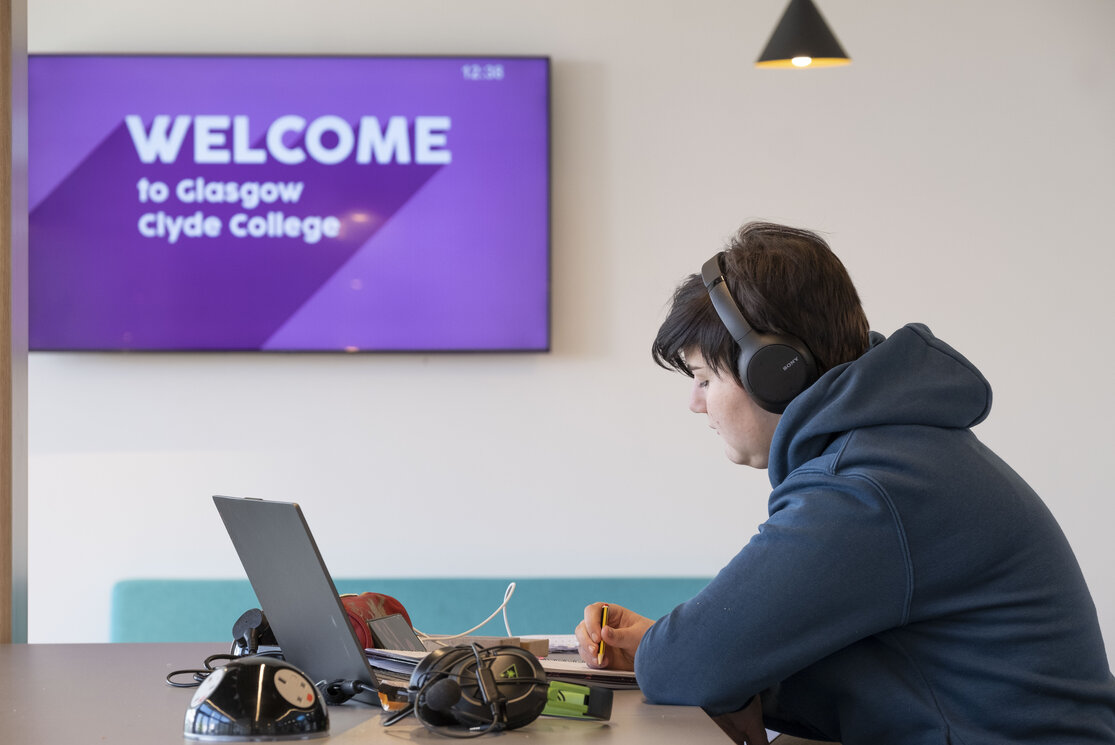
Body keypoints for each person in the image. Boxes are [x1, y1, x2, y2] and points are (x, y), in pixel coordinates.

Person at [574, 221, 1115, 744]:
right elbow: (847, 671)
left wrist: (679, 657)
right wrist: (669, 650)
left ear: (776, 371)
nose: (696, 404)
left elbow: (685, 668)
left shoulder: (869, 489)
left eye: (705, 378)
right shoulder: (899, 452)